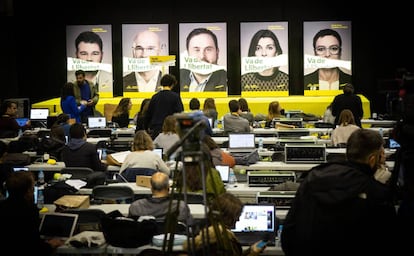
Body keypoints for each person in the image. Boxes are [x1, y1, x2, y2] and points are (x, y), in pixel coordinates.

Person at [281, 129, 397, 256]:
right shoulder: (376, 194)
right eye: (382, 155)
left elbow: (288, 235)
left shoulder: (313, 178)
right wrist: (377, 186)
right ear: (372, 160)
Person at [0, 171, 64, 255]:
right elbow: (33, 246)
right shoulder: (29, 211)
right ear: (28, 191)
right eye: (32, 188)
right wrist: (51, 244)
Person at [183, 192, 267, 255]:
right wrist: (254, 253)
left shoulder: (202, 232)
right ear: (229, 217)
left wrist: (249, 250)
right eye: (237, 216)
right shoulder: (225, 240)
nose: (238, 220)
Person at [128, 172, 193, 223]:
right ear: (168, 188)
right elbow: (189, 228)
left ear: (151, 188)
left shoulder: (136, 207)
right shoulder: (180, 207)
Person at [180, 28, 227, 92]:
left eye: (208, 49)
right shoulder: (178, 77)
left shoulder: (227, 79)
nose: (202, 56)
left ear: (217, 52)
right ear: (188, 53)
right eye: (197, 50)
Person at [144, 74, 184, 139]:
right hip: (171, 128)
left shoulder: (155, 97)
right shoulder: (175, 97)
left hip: (156, 128)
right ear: (172, 84)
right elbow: (180, 113)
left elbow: (148, 114)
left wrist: (146, 128)